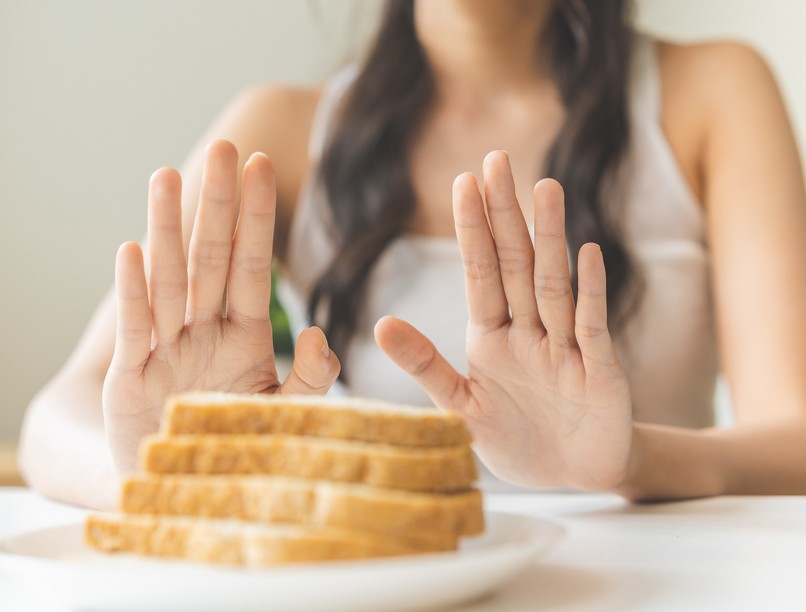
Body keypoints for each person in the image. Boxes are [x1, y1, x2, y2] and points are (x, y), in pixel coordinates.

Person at [19, 0, 806, 509]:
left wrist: (630, 460)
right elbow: (57, 416)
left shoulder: (712, 91)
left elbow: (795, 434)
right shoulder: (281, 130)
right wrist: (164, 474)